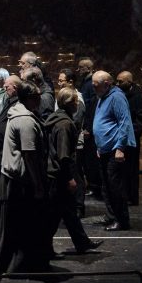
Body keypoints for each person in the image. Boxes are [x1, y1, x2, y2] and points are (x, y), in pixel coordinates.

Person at [0, 79, 51, 276]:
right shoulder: (25, 120)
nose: (39, 100)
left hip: (12, 178)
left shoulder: (17, 113)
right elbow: (29, 155)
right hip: (20, 181)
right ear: (28, 98)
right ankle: (16, 265)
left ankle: (7, 264)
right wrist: (38, 184)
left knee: (12, 226)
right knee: (21, 226)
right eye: (36, 97)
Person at [45, 87, 102, 254]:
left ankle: (82, 243)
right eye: (75, 101)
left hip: (55, 173)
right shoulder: (64, 124)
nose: (78, 104)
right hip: (59, 175)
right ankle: (44, 248)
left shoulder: (57, 118)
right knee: (54, 215)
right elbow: (63, 155)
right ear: (69, 103)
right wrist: (70, 178)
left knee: (67, 211)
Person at [92, 71, 136, 231]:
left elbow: (125, 123)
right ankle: (112, 216)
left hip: (114, 150)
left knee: (115, 187)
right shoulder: (103, 96)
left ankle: (121, 220)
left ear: (106, 84)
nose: (93, 88)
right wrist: (99, 146)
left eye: (96, 86)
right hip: (105, 149)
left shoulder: (116, 97)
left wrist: (120, 148)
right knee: (107, 186)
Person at [57, 67, 88, 215]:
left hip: (75, 145)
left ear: (71, 82)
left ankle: (79, 206)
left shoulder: (77, 100)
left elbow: (74, 124)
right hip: (67, 143)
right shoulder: (64, 95)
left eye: (61, 81)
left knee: (76, 175)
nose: (59, 83)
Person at [117, 70, 142, 204]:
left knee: (131, 169)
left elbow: (141, 120)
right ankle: (125, 195)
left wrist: (131, 134)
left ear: (129, 82)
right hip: (123, 137)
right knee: (123, 169)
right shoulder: (121, 95)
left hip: (131, 139)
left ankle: (132, 196)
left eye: (120, 81)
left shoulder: (137, 98)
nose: (117, 84)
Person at [77, 57, 102, 199]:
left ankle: (95, 186)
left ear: (88, 68)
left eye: (81, 67)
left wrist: (89, 127)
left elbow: (93, 108)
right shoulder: (86, 83)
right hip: (87, 123)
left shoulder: (90, 84)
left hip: (89, 126)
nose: (78, 70)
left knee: (91, 160)